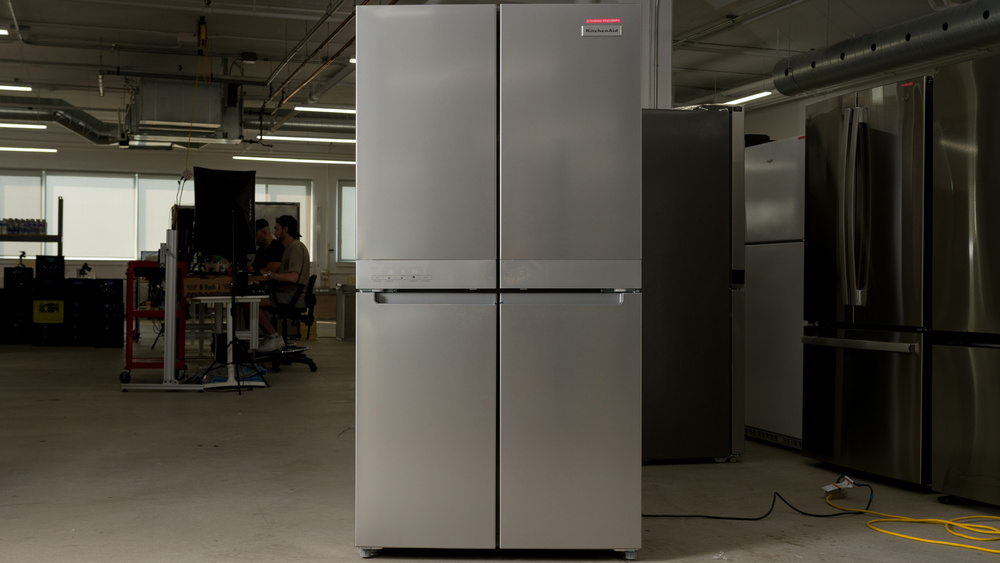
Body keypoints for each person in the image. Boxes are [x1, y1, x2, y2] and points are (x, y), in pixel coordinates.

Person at [257, 215, 311, 353]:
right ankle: (270, 336)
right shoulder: (289, 248)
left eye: (276, 229)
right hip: (287, 293)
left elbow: (293, 277)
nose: (274, 233)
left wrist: (270, 275)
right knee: (251, 300)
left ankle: (273, 337)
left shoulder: (296, 247)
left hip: (292, 296)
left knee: (251, 303)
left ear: (285, 230)